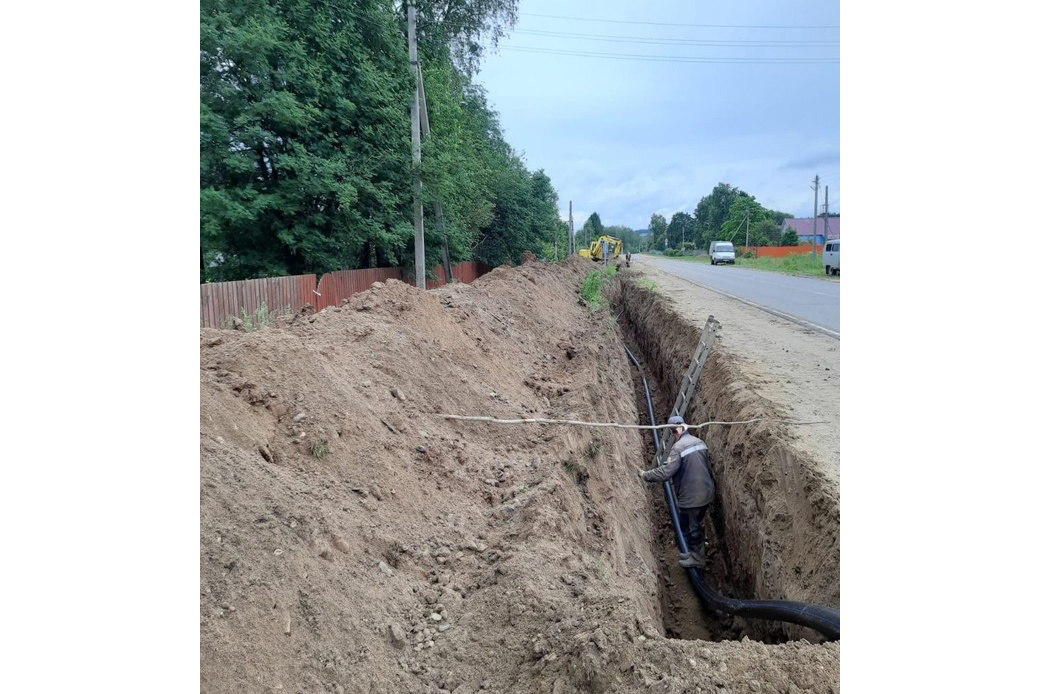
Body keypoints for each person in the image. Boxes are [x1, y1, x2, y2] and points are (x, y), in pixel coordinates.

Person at [638, 415, 715, 568]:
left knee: (690, 527)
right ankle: (696, 552)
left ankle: (698, 559)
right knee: (697, 523)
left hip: (691, 497)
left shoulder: (678, 448)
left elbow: (666, 472)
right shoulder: (699, 442)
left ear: (675, 432)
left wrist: (646, 475)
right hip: (706, 491)